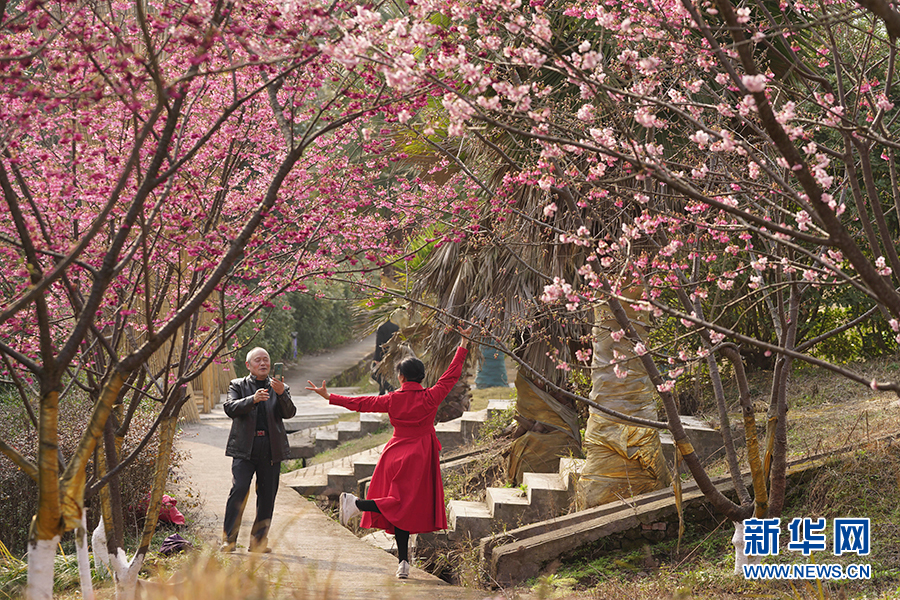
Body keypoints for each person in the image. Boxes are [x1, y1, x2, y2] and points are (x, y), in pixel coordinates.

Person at [306, 324, 472, 579]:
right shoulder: (431, 397)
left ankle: (403, 562)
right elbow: (451, 376)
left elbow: (361, 403)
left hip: (395, 454)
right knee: (404, 505)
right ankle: (357, 503)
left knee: (401, 509)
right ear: (421, 377)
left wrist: (330, 397)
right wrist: (463, 345)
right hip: (420, 456)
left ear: (401, 378)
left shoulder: (392, 399)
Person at [221, 347, 297, 553]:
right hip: (245, 448)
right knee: (238, 491)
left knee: (266, 496)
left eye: (266, 360)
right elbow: (230, 408)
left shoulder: (280, 387)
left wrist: (281, 394)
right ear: (248, 365)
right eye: (258, 360)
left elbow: (289, 413)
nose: (263, 363)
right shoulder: (237, 385)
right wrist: (252, 399)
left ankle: (258, 542)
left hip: (271, 449)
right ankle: (229, 540)